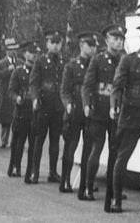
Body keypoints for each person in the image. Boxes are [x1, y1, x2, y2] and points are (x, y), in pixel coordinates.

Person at [110, 22, 140, 213]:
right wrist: (114, 106)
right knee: (123, 157)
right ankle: (116, 198)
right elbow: (117, 86)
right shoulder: (129, 60)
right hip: (131, 113)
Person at [80, 24, 125, 204]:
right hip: (99, 110)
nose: (119, 42)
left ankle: (114, 189)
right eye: (115, 39)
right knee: (96, 149)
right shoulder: (98, 60)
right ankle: (88, 187)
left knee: (116, 151)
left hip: (118, 111)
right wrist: (86, 104)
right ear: (107, 41)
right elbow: (87, 86)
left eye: (121, 39)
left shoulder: (125, 59)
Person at [59, 31, 95, 193]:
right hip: (75, 111)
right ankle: (65, 180)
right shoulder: (71, 66)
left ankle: (86, 182)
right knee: (71, 147)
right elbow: (65, 90)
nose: (93, 49)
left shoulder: (96, 65)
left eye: (95, 45)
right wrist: (68, 104)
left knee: (89, 148)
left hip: (90, 112)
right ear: (82, 46)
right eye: (90, 45)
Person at [27, 29, 64, 184]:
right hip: (43, 105)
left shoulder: (63, 62)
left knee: (55, 141)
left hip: (57, 107)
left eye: (58, 43)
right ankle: (35, 172)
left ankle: (53, 172)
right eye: (52, 43)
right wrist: (35, 98)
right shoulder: (40, 61)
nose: (55, 46)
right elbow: (34, 82)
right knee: (39, 140)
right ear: (47, 44)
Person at [7, 43, 37, 177]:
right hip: (21, 112)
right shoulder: (18, 71)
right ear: (25, 54)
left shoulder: (39, 72)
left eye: (36, 53)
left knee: (34, 143)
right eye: (31, 52)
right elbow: (11, 90)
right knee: (18, 142)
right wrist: (17, 98)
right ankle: (15, 166)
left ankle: (30, 169)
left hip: (35, 112)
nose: (34, 55)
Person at [0, 38, 16, 148]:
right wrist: (8, 70)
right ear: (7, 50)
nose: (12, 52)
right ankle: (4, 140)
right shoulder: (1, 64)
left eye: (14, 49)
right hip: (5, 94)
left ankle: (15, 140)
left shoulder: (19, 62)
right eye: (10, 49)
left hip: (15, 94)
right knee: (5, 119)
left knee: (16, 117)